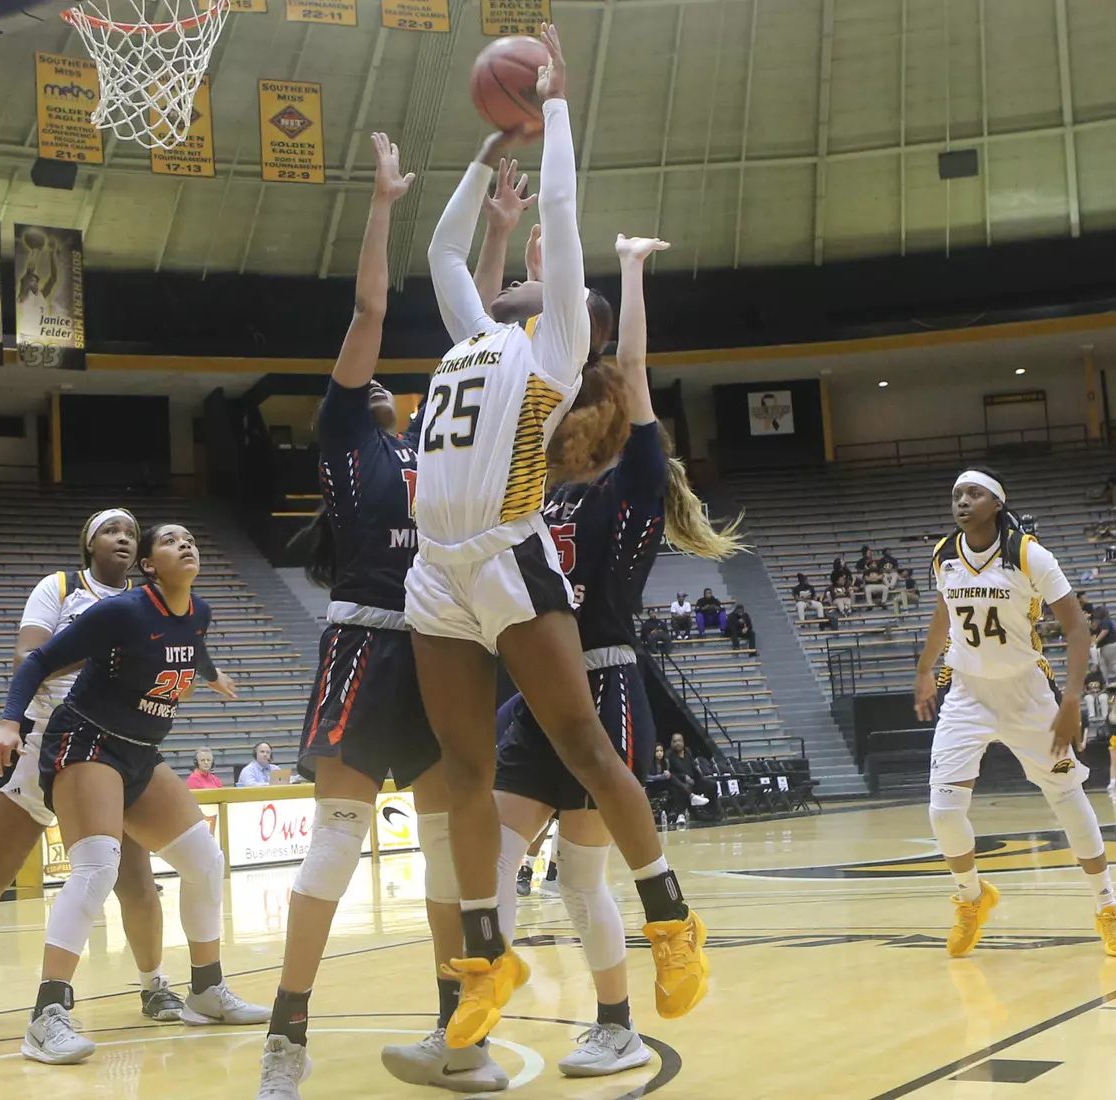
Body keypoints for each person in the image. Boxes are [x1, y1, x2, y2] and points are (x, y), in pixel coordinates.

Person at [406, 24, 706, 1053]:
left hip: (502, 554)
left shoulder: (552, 353)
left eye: (550, 289)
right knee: (461, 769)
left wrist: (560, 110)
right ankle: (487, 955)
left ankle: (670, 916)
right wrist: (490, 151)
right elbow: (444, 251)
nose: (539, 290)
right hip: (434, 574)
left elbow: (567, 221)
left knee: (581, 741)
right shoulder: (473, 337)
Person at [259, 134, 506, 1098]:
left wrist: (493, 230)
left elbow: (478, 332)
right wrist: (382, 205)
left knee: (451, 848)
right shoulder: (344, 433)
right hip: (367, 638)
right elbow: (369, 305)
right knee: (336, 839)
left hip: (445, 643)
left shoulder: (438, 451)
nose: (389, 382)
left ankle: (457, 1033)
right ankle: (288, 1035)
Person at [0, 523, 267, 1065]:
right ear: (150, 565)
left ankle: (205, 991)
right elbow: (39, 662)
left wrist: (212, 675)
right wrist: (9, 724)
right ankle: (47, 1016)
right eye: (171, 541)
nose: (187, 544)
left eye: (191, 538)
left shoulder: (198, 611)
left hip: (140, 751)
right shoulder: (122, 611)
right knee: (97, 865)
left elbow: (192, 646)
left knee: (206, 861)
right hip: (87, 739)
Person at [0, 509, 180, 1028]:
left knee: (136, 880)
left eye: (130, 533)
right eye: (111, 531)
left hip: (107, 747)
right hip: (43, 744)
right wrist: (101, 648)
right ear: (89, 544)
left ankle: (154, 985)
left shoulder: (147, 604)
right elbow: (28, 657)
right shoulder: (60, 587)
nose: (123, 539)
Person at [913, 468, 1116, 959]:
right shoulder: (944, 555)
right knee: (943, 811)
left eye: (973, 493)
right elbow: (943, 613)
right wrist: (925, 668)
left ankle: (1109, 908)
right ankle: (972, 899)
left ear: (996, 503)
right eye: (956, 494)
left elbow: (1077, 631)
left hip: (1026, 694)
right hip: (967, 694)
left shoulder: (1029, 554)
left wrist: (1072, 701)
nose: (962, 501)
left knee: (1065, 795)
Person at [1091, 607, 1116, 685]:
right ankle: (1104, 681)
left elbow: (1104, 631)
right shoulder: (1102, 622)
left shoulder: (1105, 621)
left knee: (1113, 662)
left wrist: (1095, 642)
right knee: (1102, 663)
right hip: (1106, 645)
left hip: (1111, 644)